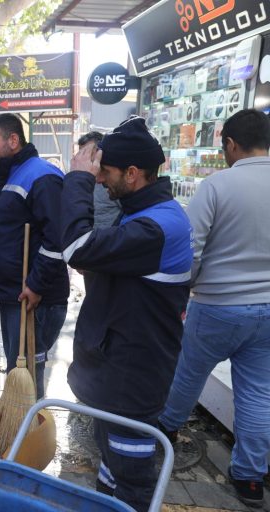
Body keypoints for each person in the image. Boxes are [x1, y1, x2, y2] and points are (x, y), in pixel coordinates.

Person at [61, 116, 193, 511]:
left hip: (132, 375)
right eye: (96, 173)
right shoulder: (142, 212)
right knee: (112, 464)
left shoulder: (157, 225)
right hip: (117, 366)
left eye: (105, 172)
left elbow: (77, 248)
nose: (99, 180)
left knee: (132, 475)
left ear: (133, 174)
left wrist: (78, 178)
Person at [158, 109, 270, 508]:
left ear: (230, 144)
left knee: (188, 373)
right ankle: (250, 480)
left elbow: (191, 249)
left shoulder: (218, 185)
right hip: (269, 310)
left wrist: (185, 288)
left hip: (218, 304)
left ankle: (165, 433)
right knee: (258, 394)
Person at [0, 113, 69, 399]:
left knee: (28, 374)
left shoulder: (42, 176)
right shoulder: (10, 173)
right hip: (14, 293)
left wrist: (37, 285)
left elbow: (57, 239)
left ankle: (31, 435)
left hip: (34, 297)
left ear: (13, 140)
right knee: (18, 371)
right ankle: (18, 430)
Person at [75, 132, 121, 292]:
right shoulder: (83, 182)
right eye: (81, 153)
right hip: (90, 260)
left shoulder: (112, 181)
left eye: (87, 153)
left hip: (113, 260)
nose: (84, 158)